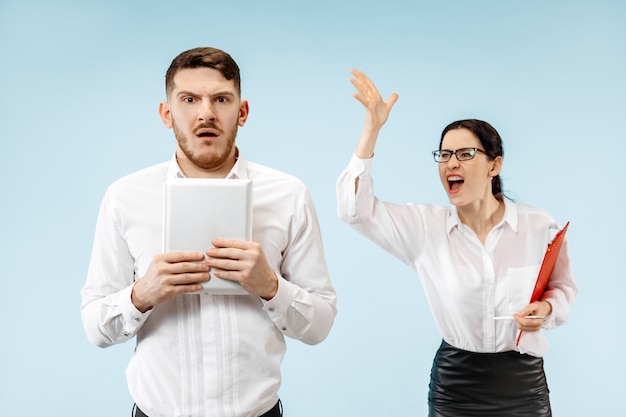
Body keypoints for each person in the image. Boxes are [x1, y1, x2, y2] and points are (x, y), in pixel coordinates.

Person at [81, 47, 337, 417]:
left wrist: (271, 286)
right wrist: (141, 294)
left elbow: (320, 324)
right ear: (166, 113)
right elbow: (94, 327)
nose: (206, 113)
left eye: (221, 99)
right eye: (189, 99)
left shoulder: (289, 195)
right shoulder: (124, 198)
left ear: (242, 111)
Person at [336, 69, 577, 417]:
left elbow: (563, 287)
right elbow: (353, 210)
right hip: (456, 384)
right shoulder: (424, 227)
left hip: (522, 383)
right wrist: (371, 129)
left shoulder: (539, 225)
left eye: (465, 154)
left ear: (494, 165)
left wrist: (548, 310)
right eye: (444, 155)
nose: (451, 163)